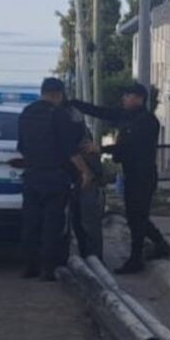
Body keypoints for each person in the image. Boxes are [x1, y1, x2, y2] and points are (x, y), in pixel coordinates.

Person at [71, 83, 170, 274]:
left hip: (143, 175)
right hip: (131, 174)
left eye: (128, 96)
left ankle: (136, 259)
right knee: (136, 216)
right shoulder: (127, 116)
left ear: (139, 98)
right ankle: (160, 244)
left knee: (137, 218)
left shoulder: (147, 121)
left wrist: (101, 149)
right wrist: (75, 104)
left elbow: (130, 148)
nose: (124, 99)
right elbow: (102, 112)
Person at [18, 78, 90, 281]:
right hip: (55, 177)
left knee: (31, 223)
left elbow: (21, 146)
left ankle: (29, 267)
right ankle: (48, 269)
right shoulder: (59, 115)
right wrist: (85, 172)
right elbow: (71, 150)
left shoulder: (26, 113)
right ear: (58, 94)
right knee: (52, 224)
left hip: (31, 175)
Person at [67, 104, 105, 259]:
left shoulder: (78, 133)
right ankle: (91, 257)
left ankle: (93, 258)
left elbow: (89, 153)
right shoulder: (76, 128)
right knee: (81, 222)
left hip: (84, 180)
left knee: (87, 222)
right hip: (78, 179)